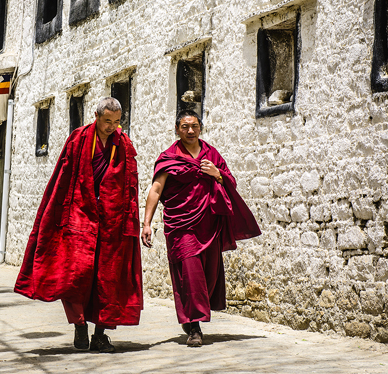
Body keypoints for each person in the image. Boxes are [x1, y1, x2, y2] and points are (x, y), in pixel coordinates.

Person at [15, 97, 143, 353]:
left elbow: (130, 183)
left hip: (112, 219)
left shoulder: (123, 143)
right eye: (107, 121)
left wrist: (130, 218)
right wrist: (57, 214)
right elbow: (62, 177)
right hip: (78, 214)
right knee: (75, 274)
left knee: (108, 278)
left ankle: (100, 334)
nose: (112, 127)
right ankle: (80, 325)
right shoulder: (79, 138)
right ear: (96, 117)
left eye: (116, 122)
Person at [141, 110, 261, 347]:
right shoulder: (169, 158)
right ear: (177, 129)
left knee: (208, 274)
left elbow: (230, 182)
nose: (190, 130)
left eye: (194, 126)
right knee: (190, 272)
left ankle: (191, 316)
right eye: (184, 126)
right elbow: (155, 189)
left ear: (200, 128)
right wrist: (146, 223)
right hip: (181, 224)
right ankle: (194, 327)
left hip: (210, 224)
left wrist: (217, 174)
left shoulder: (211, 154)